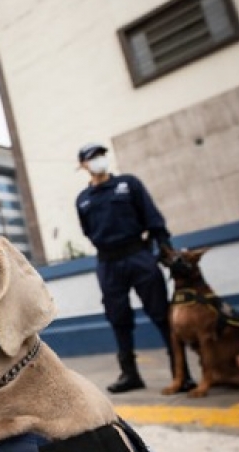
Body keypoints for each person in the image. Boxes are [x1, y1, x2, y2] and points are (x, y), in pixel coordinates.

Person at [75, 142, 196, 394]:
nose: (99, 160)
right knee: (118, 319)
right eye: (92, 157)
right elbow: (88, 231)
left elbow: (153, 219)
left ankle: (182, 373)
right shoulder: (83, 200)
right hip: (108, 263)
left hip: (138, 256)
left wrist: (165, 248)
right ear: (83, 165)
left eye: (101, 155)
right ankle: (129, 374)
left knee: (162, 314)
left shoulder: (129, 184)